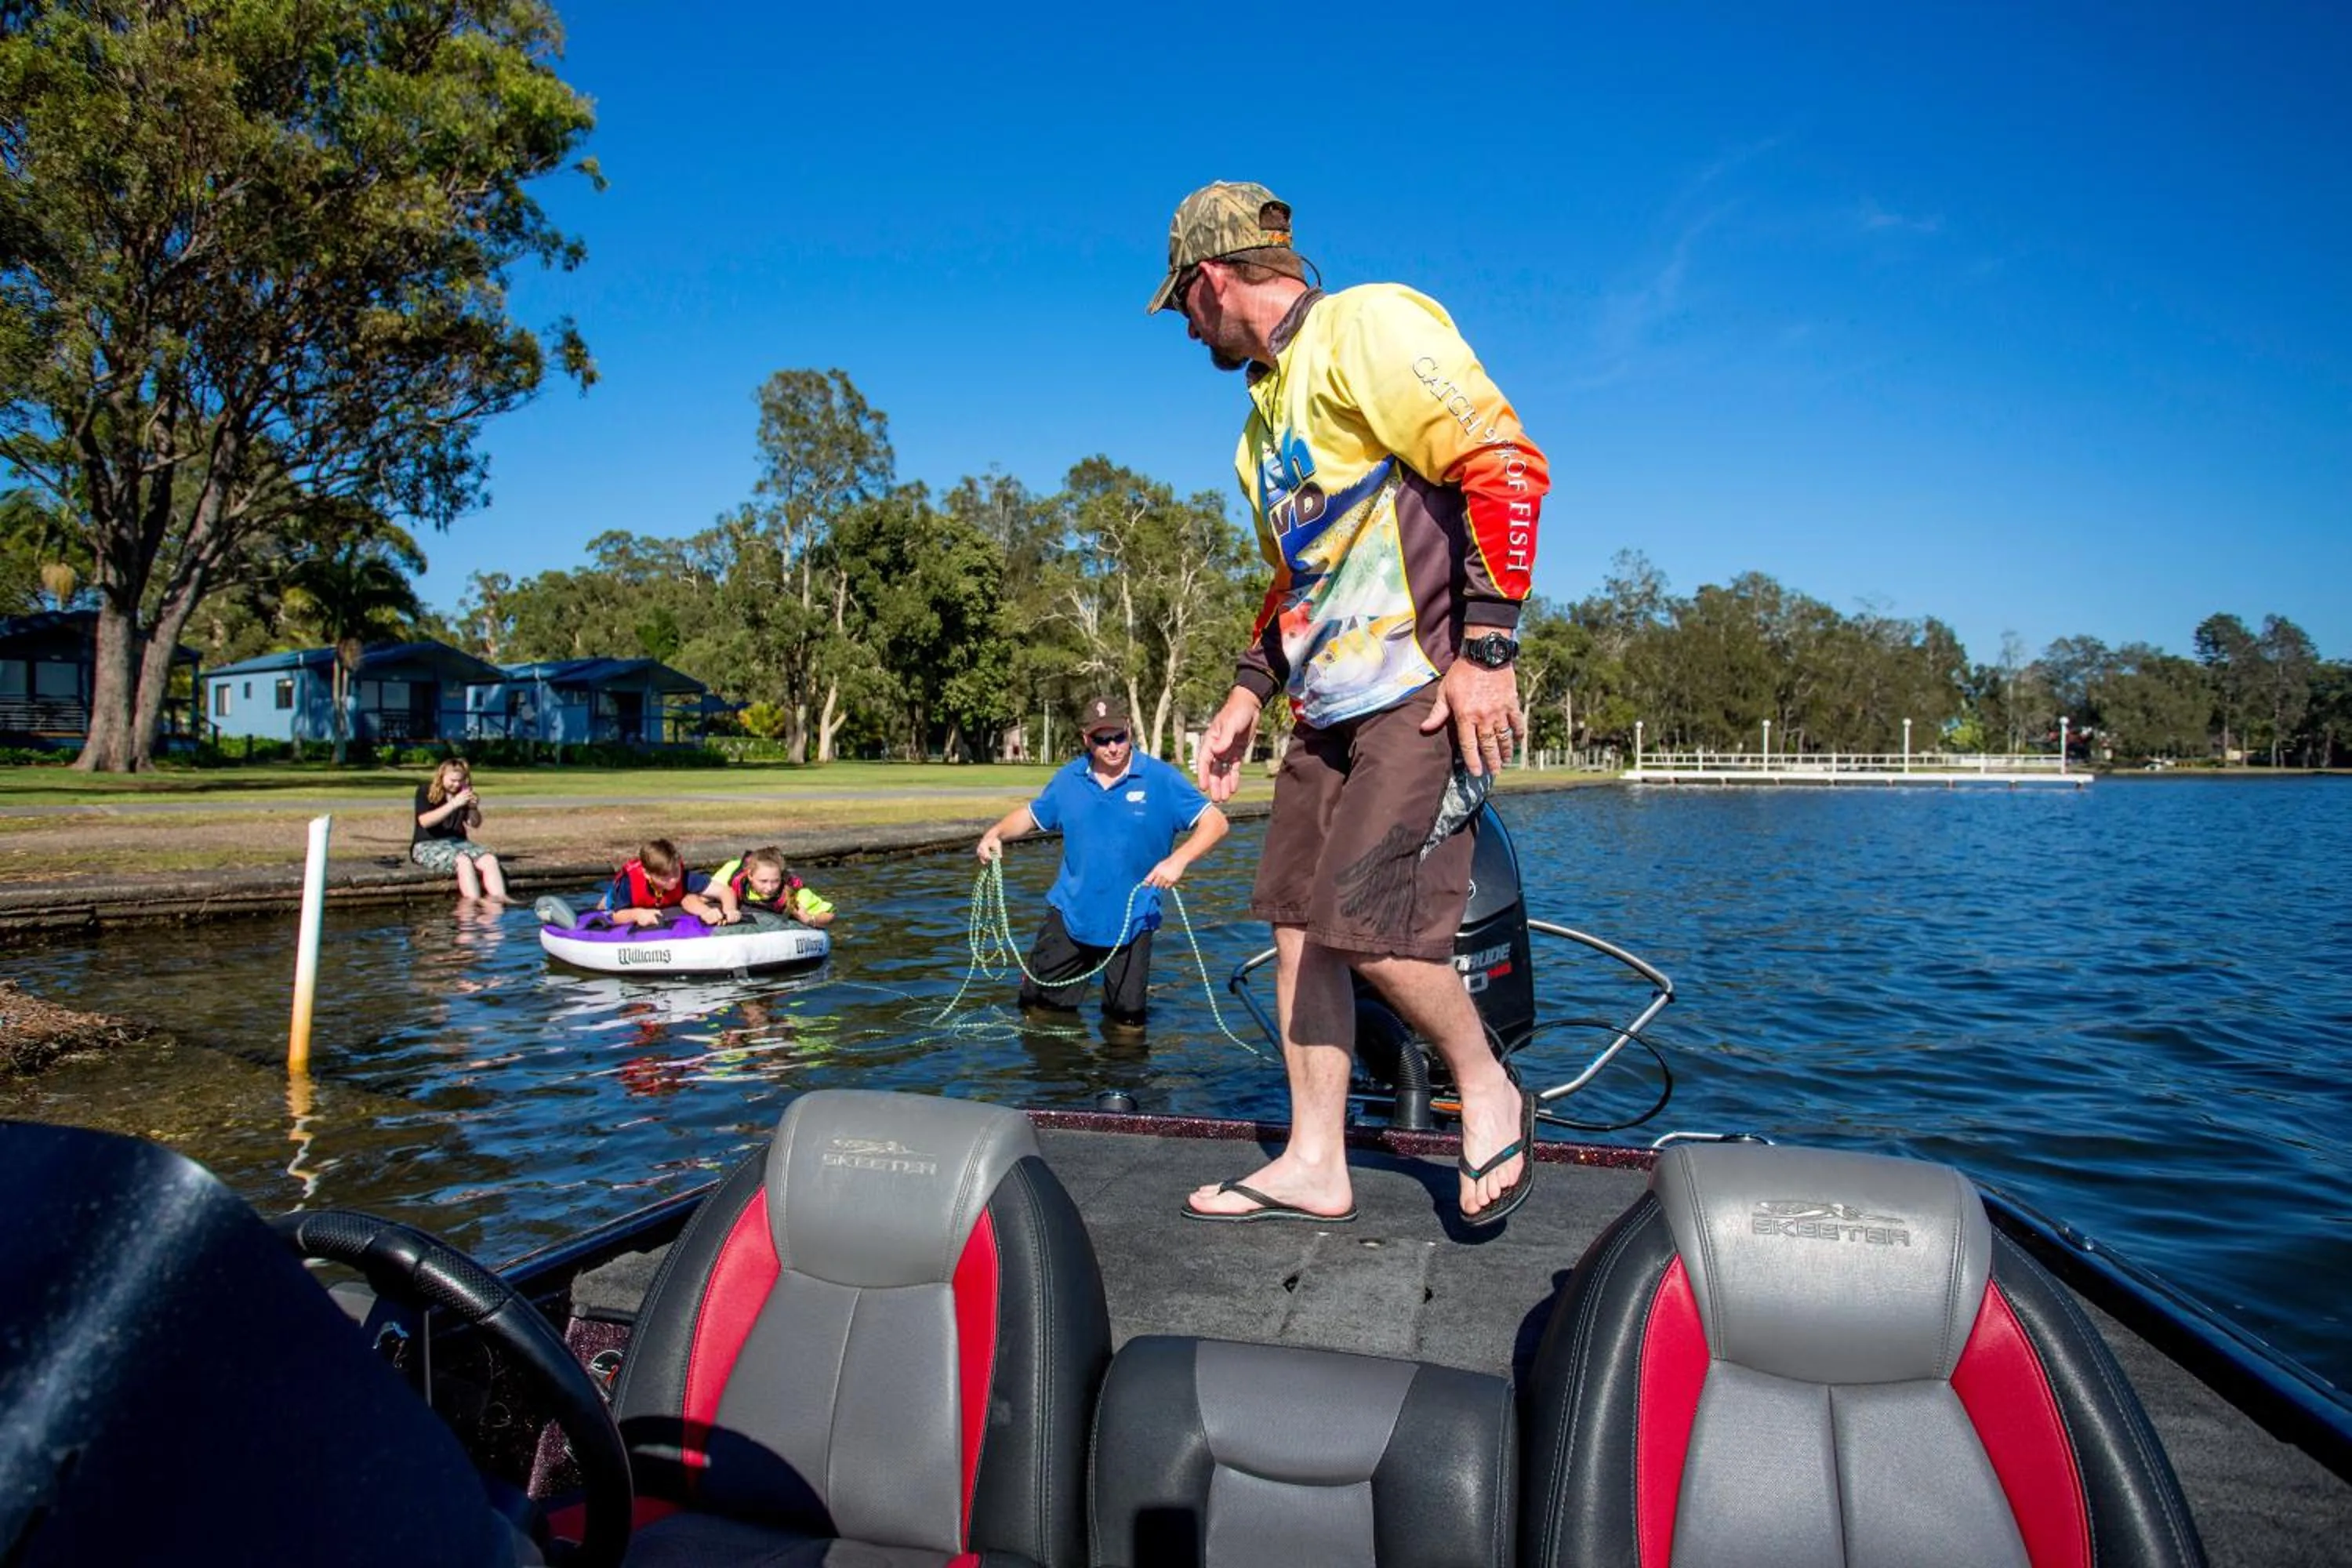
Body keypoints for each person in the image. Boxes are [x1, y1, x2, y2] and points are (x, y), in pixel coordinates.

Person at [1152, 181, 1550, 1227]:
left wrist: (1488, 649)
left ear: (1211, 279)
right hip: (1321, 712)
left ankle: (1488, 1084)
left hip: (1419, 696)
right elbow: (1300, 575)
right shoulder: (1257, 432)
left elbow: (1504, 464)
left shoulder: (1367, 325)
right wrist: (1249, 689)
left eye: (1183, 305)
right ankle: (1314, 1160)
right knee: (1297, 928)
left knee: (1365, 924)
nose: (1187, 330)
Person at [975, 695, 1229, 1032]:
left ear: (1129, 731)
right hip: (1070, 915)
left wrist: (1178, 860)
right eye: (1101, 739)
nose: (1112, 747)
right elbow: (1033, 815)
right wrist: (996, 833)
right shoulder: (1069, 778)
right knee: (1039, 1012)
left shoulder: (1161, 779)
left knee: (1127, 1024)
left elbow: (1216, 823)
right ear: (1086, 739)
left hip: (1134, 920)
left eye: (1118, 737)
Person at [410, 758, 514, 903]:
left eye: (461, 781)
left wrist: (473, 808)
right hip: (428, 844)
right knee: (463, 861)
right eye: (452, 781)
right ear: (442, 777)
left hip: (458, 842)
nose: (457, 785)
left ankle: (500, 898)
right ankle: (473, 901)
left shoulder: (464, 793)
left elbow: (474, 824)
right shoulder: (425, 791)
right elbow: (425, 821)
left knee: (489, 859)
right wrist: (454, 804)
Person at [597, 837, 723, 928]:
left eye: (675, 872)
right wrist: (637, 914)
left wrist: (727, 909)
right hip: (619, 897)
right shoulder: (629, 883)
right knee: (605, 905)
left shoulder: (682, 875)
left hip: (658, 899)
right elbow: (617, 916)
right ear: (647, 874)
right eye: (664, 876)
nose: (673, 879)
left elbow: (721, 890)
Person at [709, 846, 837, 927]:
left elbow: (829, 916)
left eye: (775, 881)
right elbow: (704, 893)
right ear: (750, 875)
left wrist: (809, 920)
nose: (769, 888)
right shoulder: (733, 871)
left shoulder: (792, 890)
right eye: (763, 881)